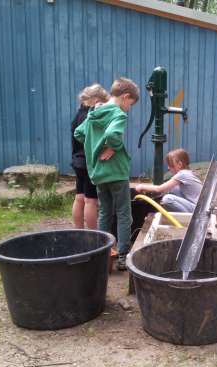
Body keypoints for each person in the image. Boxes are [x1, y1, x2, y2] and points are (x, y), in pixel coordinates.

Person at [74, 77, 139, 271]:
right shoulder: (118, 114)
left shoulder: (94, 113)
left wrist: (95, 144)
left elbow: (79, 133)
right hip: (116, 172)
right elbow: (112, 135)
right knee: (123, 214)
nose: (129, 108)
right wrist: (112, 146)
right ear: (125, 97)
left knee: (104, 213)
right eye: (131, 104)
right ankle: (122, 256)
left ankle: (103, 252)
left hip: (99, 174)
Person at [71, 84, 109, 229]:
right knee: (91, 201)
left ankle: (79, 232)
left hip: (77, 161)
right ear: (95, 99)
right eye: (103, 101)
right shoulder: (91, 116)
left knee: (79, 198)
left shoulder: (78, 114)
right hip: (89, 163)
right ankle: (94, 236)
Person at [135, 148, 202, 213]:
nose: (168, 168)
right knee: (172, 189)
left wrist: (142, 186)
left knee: (167, 199)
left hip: (197, 211)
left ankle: (186, 218)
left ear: (179, 164)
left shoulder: (182, 174)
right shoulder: (188, 172)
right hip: (198, 206)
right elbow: (166, 189)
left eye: (170, 165)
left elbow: (159, 189)